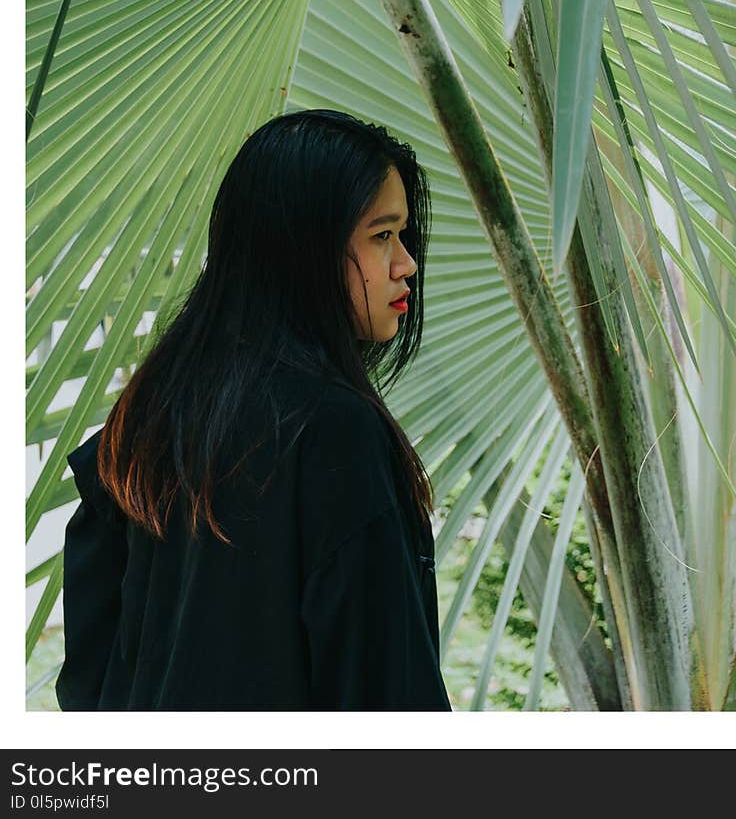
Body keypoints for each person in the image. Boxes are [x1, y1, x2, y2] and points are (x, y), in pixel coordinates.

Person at [55, 109, 452, 712]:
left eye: (402, 237)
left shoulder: (145, 419)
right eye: (381, 236)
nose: (406, 264)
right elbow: (384, 694)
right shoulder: (336, 433)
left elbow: (87, 679)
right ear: (304, 249)